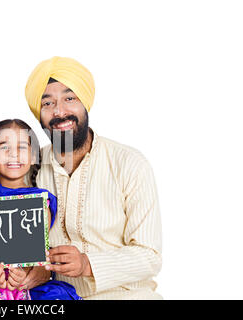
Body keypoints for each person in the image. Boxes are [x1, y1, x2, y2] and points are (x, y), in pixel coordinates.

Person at [22, 56, 163, 299]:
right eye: (48, 103)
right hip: (56, 298)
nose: (60, 112)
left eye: (69, 99)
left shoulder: (129, 163)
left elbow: (150, 256)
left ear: (85, 103)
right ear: (39, 113)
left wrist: (87, 264)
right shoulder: (27, 169)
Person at [0, 119, 81, 300]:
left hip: (26, 284)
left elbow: (38, 251)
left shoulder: (41, 201)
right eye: (4, 147)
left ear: (33, 157)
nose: (13, 154)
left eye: (22, 147)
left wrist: (23, 274)